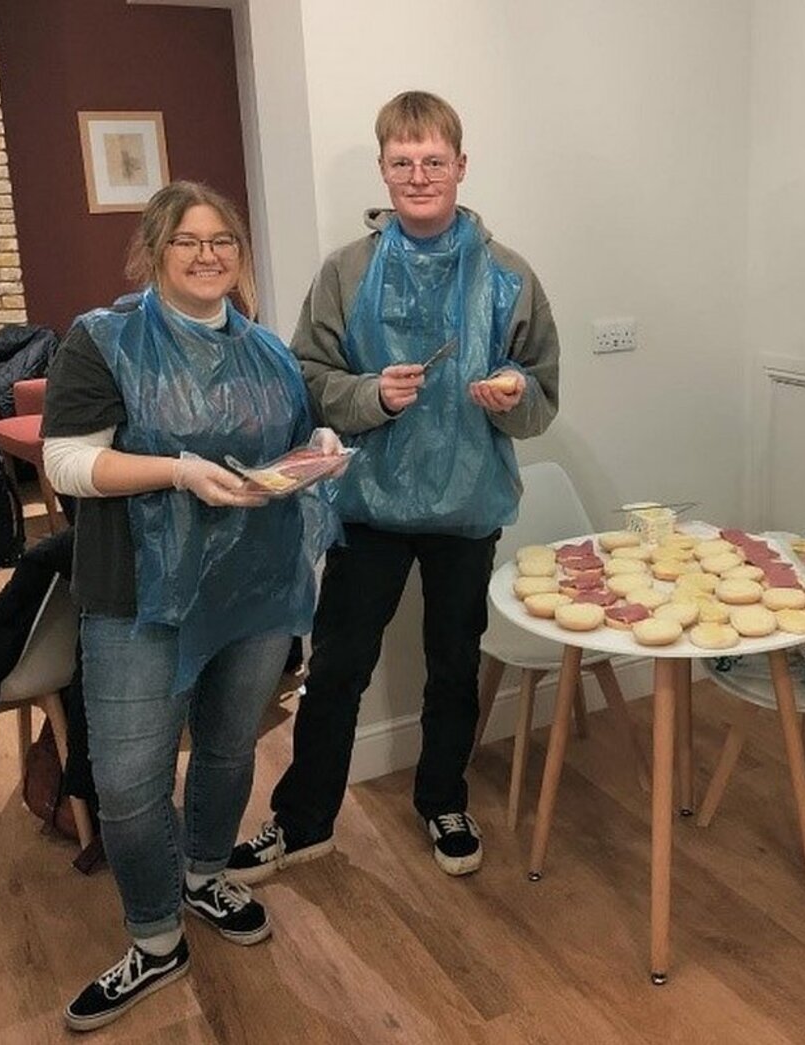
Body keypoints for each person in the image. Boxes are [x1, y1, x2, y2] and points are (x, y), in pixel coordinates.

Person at [228, 90, 560, 882]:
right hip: (368, 507)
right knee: (337, 664)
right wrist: (370, 396)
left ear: (460, 166)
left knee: (454, 662)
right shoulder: (347, 272)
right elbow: (308, 377)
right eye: (402, 162)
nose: (418, 175)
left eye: (433, 161)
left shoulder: (510, 277)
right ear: (383, 170)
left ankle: (444, 797)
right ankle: (303, 819)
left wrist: (513, 392)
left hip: (468, 506)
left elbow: (544, 390)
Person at [42, 181, 342, 1032]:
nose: (208, 254)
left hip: (253, 588)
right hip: (138, 594)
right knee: (132, 778)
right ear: (153, 250)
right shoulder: (103, 343)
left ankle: (207, 872)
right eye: (188, 240)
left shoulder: (268, 351)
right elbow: (67, 462)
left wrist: (315, 449)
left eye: (223, 241)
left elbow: (288, 438)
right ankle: (155, 933)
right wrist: (176, 470)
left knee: (226, 748)